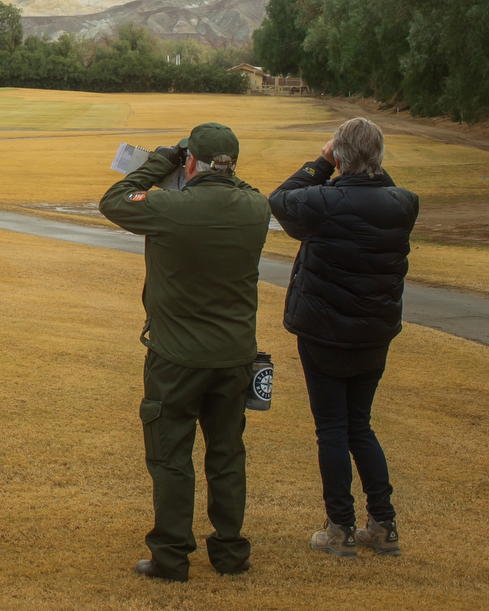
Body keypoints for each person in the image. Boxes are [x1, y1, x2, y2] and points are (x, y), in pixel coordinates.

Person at [99, 123, 271, 582]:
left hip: (175, 358)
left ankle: (171, 556)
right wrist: (201, 166)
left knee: (172, 457)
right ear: (231, 163)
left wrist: (162, 162)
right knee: (228, 454)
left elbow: (114, 199)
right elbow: (244, 188)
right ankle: (230, 551)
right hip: (234, 356)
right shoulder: (256, 207)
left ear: (191, 161)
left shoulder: (172, 207)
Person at [269, 117, 416, 559]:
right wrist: (364, 160)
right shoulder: (404, 203)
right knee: (360, 426)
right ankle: (383, 523)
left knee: (331, 428)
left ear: (340, 153)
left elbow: (279, 200)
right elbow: (378, 188)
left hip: (324, 333)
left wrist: (322, 161)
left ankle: (341, 529)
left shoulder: (323, 202)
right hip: (374, 335)